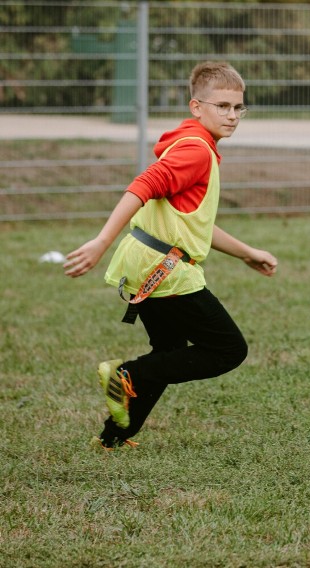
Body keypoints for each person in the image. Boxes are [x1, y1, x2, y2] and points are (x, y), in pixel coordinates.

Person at [64, 61, 278, 450]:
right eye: (222, 106)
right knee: (228, 349)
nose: (232, 116)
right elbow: (142, 186)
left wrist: (246, 253)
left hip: (147, 261)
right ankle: (125, 374)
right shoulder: (196, 151)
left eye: (238, 108)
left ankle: (113, 437)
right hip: (164, 269)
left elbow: (194, 223)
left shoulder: (191, 143)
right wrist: (100, 241)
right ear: (197, 106)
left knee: (169, 352)